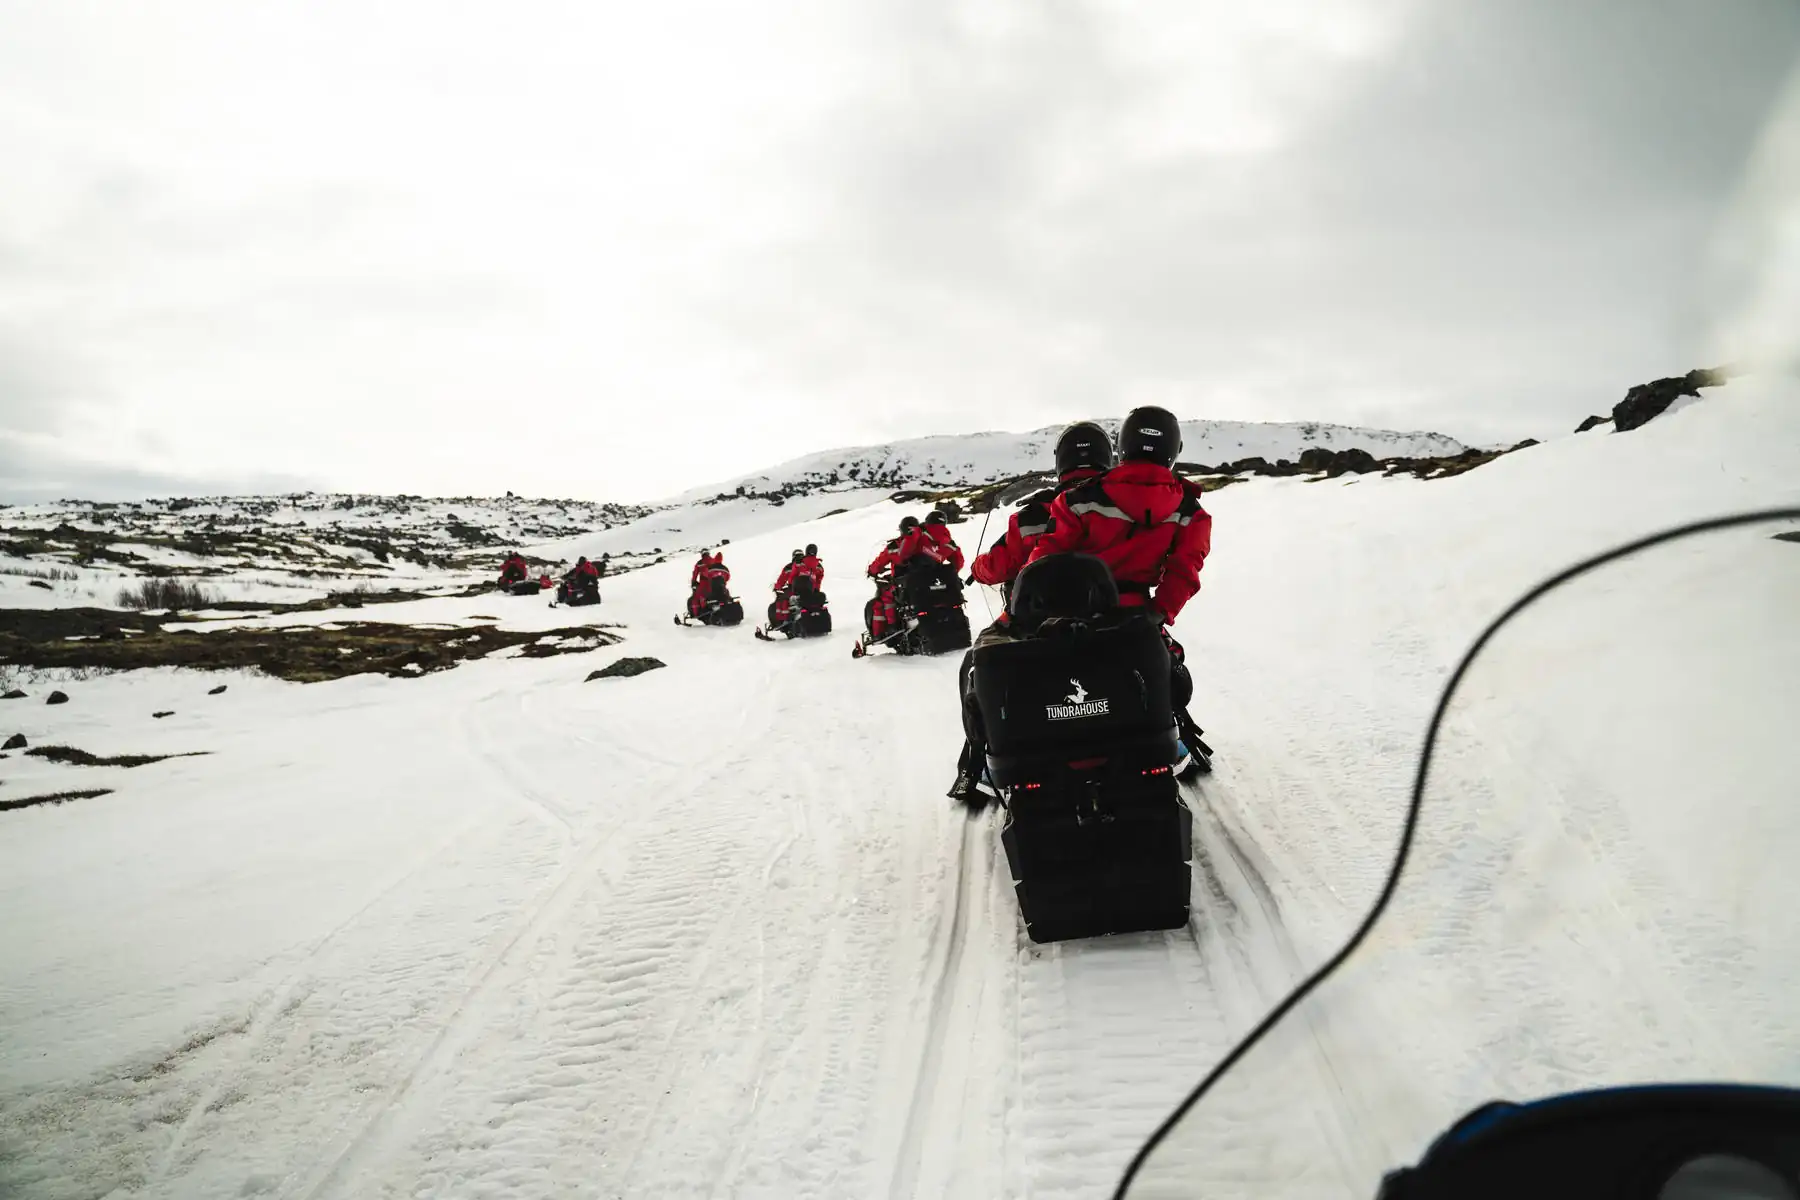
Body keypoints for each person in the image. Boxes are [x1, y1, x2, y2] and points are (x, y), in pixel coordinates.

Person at [1026, 406, 1210, 625]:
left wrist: (1027, 607)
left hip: (1076, 618)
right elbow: (1185, 570)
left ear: (1123, 444)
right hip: (1138, 620)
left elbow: (1044, 561)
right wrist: (1159, 611)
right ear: (1174, 449)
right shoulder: (1191, 512)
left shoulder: (1078, 499)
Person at [971, 421, 1113, 597]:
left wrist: (977, 568)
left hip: (1047, 616)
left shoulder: (1031, 516)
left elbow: (999, 565)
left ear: (1061, 460)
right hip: (1121, 613)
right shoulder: (1126, 504)